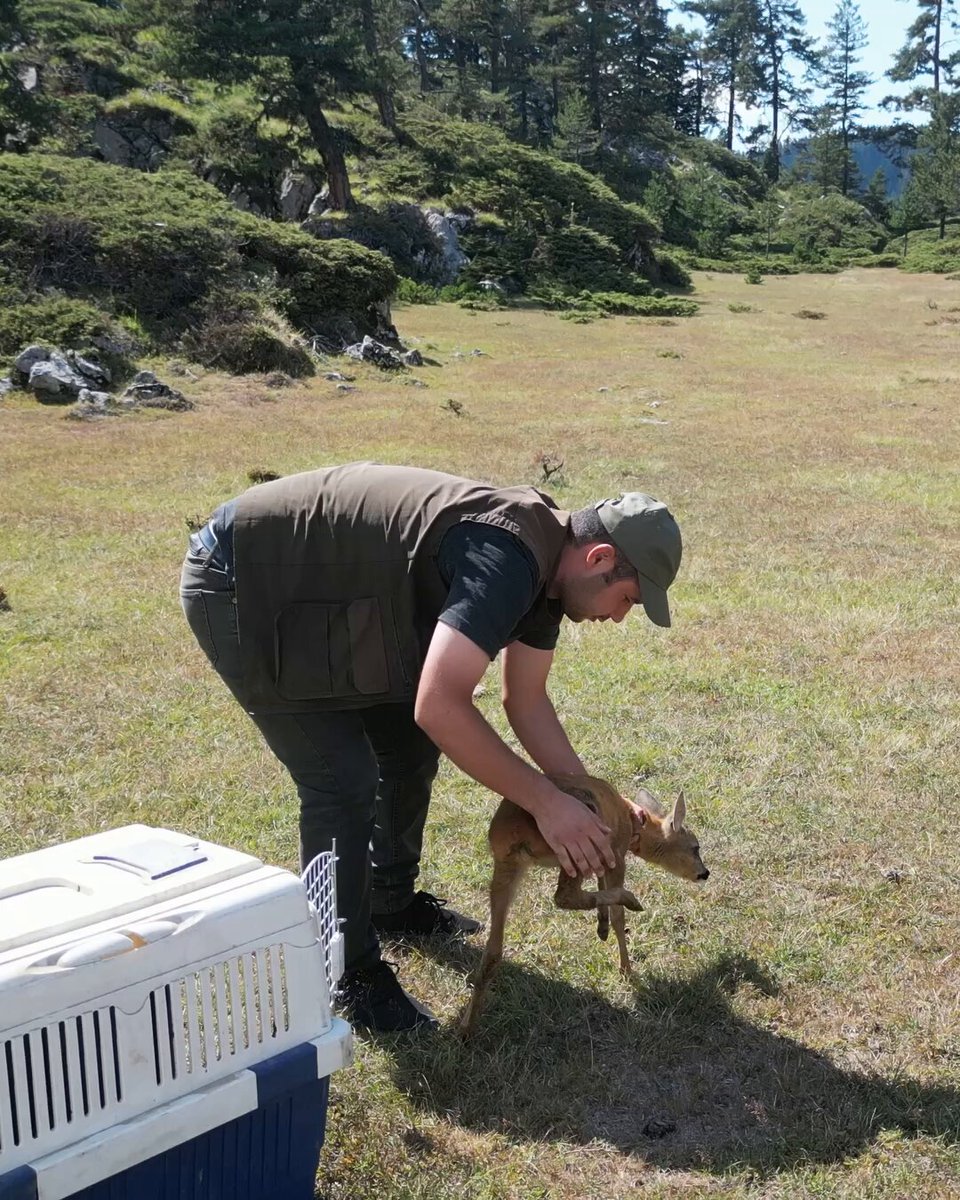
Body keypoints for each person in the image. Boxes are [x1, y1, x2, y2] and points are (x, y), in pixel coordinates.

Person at [179, 462, 682, 1033]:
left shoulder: (548, 573)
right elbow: (441, 704)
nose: (618, 617)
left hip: (338, 597)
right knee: (342, 779)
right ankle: (348, 972)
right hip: (243, 577)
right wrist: (546, 803)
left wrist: (594, 807)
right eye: (628, 599)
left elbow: (527, 701)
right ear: (599, 559)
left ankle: (390, 899)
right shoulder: (509, 559)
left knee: (408, 744)